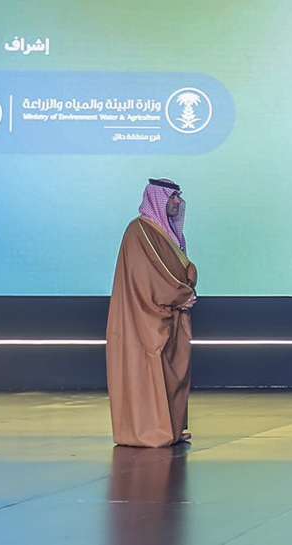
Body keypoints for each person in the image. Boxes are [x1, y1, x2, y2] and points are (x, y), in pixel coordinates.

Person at [106, 178, 199, 447]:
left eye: (178, 197)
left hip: (171, 314)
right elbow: (150, 277)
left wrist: (184, 290)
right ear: (158, 199)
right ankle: (150, 431)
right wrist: (182, 294)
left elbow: (180, 270)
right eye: (172, 197)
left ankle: (172, 428)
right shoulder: (139, 232)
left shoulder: (166, 235)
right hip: (145, 318)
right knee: (148, 371)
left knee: (173, 371)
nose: (178, 202)